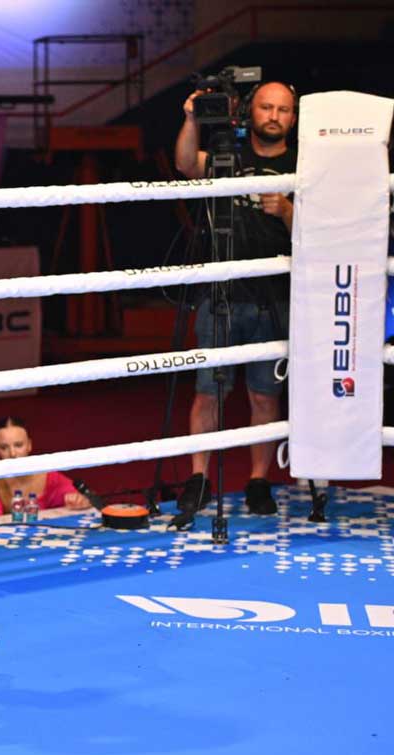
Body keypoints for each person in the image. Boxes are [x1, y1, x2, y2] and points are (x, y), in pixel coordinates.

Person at [174, 81, 297, 516]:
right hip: (220, 291)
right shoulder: (229, 157)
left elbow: (324, 227)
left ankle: (259, 480)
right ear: (252, 110)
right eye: (267, 106)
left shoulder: (303, 165)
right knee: (209, 393)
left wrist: (286, 210)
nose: (274, 116)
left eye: (283, 109)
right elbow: (188, 165)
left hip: (275, 298)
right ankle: (199, 477)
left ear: (292, 117)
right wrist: (192, 118)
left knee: (265, 396)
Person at [0, 417, 93, 519]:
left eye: (18, 445)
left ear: (29, 445)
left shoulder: (49, 477)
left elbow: (84, 497)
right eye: (4, 447)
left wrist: (80, 500)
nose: (12, 453)